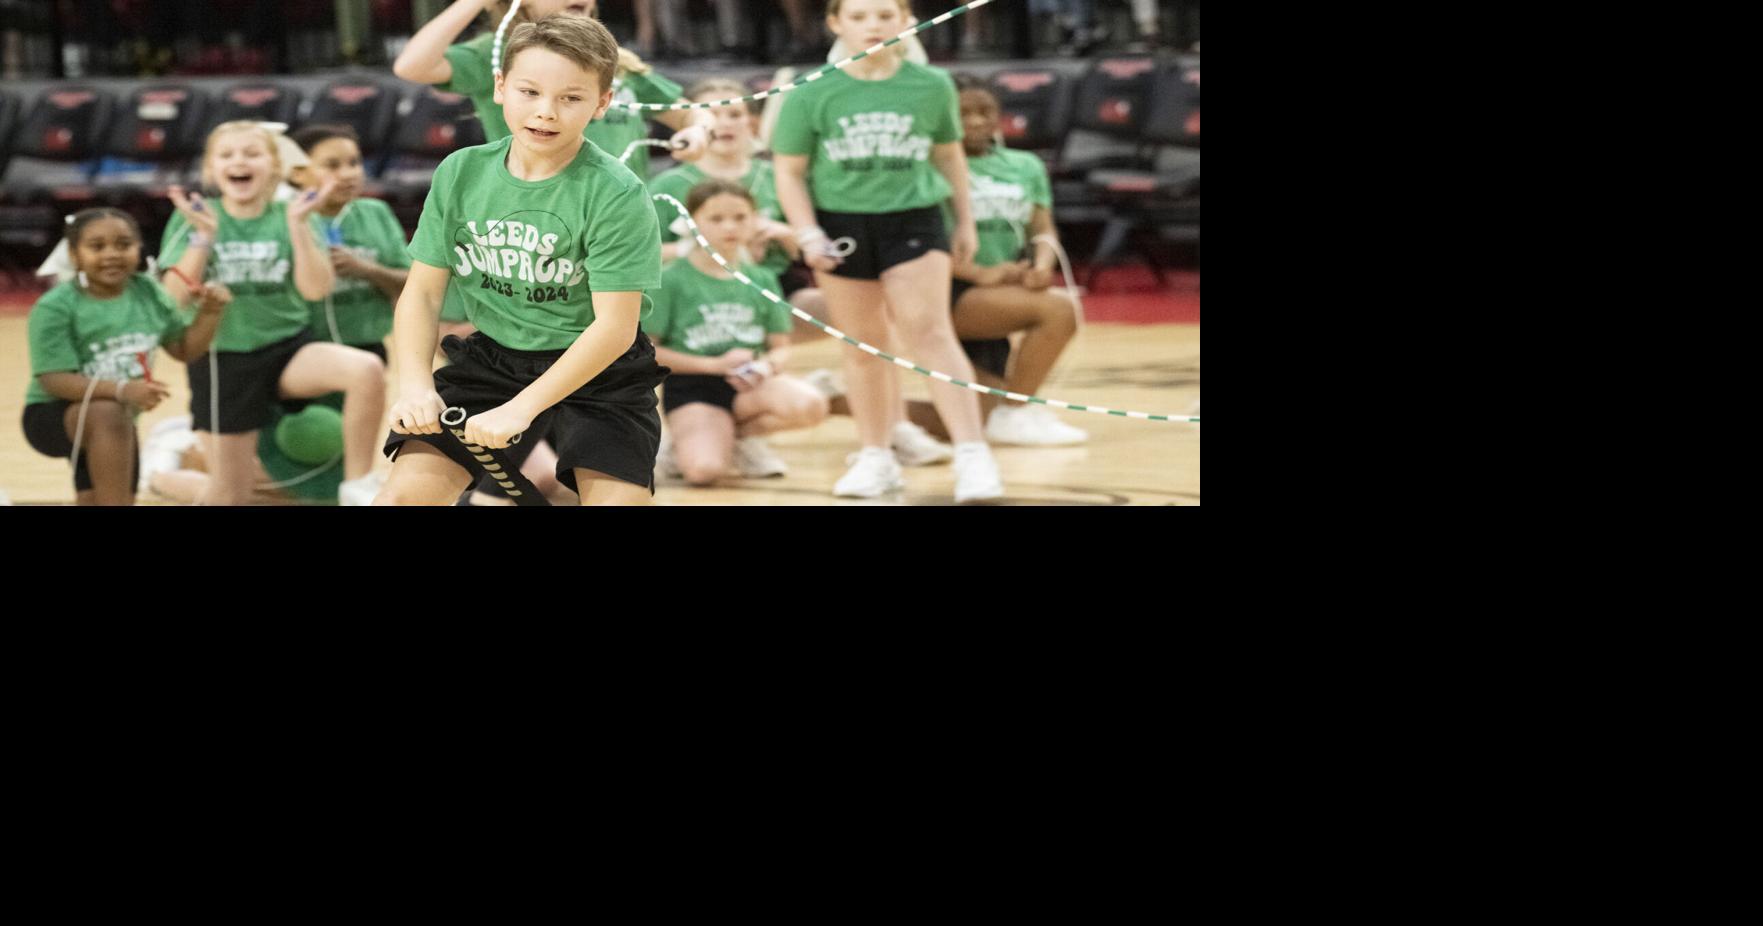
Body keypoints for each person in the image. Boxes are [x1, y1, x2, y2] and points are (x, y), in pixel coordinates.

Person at [374, 15, 667, 506]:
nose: (547, 112)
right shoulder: (461, 171)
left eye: (571, 98)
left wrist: (521, 410)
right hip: (494, 358)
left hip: (600, 370)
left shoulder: (617, 192)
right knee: (403, 498)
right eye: (530, 92)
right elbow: (423, 294)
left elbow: (614, 329)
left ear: (602, 103)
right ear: (500, 87)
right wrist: (415, 387)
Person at [771, 0, 1003, 501]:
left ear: (905, 20)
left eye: (884, 14)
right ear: (835, 24)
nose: (872, 25)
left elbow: (948, 155)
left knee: (930, 332)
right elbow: (789, 171)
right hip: (841, 224)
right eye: (858, 16)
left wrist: (965, 220)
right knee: (863, 345)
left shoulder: (931, 85)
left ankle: (973, 455)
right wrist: (807, 232)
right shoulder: (812, 90)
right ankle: (876, 455)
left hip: (914, 220)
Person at [159, 121, 387, 505]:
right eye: (227, 155)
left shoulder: (294, 213)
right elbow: (171, 301)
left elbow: (316, 289)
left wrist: (298, 226)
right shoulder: (194, 218)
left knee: (365, 370)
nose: (239, 161)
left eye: (252, 153)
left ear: (275, 166)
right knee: (232, 494)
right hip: (223, 360)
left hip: (286, 350)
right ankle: (161, 472)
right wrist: (203, 237)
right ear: (211, 170)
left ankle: (358, 487)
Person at [22, 208, 229, 505]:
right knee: (108, 417)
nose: (112, 254)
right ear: (74, 255)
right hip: (53, 414)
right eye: (97, 246)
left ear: (139, 249)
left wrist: (211, 312)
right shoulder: (55, 306)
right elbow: (53, 380)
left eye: (123, 244)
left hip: (117, 420)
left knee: (94, 497)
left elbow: (183, 349)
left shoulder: (148, 293)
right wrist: (123, 390)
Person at [646, 180, 827, 483]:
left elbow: (781, 347)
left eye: (741, 217)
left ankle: (737, 439)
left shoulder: (762, 278)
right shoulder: (671, 278)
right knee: (704, 471)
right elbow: (649, 354)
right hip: (694, 387)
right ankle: (686, 443)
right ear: (692, 222)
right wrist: (714, 365)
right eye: (716, 219)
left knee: (810, 404)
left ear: (754, 220)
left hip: (749, 384)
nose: (729, 227)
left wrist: (765, 366)